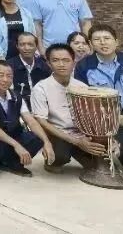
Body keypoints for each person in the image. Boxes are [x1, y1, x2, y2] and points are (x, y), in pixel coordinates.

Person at [74, 23, 123, 170]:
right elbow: (84, 100)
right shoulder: (84, 67)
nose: (103, 42)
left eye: (107, 38)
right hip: (108, 121)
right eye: (97, 39)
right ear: (90, 44)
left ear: (116, 41)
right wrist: (114, 117)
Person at [0, 59, 53, 178]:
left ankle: (13, 163)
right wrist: (16, 145)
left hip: (11, 136)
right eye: (0, 75)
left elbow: (31, 120)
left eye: (9, 76)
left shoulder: (16, 96)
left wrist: (47, 142)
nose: (5, 79)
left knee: (37, 138)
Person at [30, 43, 102, 173]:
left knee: (102, 163)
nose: (61, 64)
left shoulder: (82, 87)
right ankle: (53, 160)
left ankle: (81, 153)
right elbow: (41, 121)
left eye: (66, 60)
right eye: (55, 60)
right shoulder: (41, 88)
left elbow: (92, 116)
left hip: (81, 133)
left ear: (73, 62)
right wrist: (76, 141)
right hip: (58, 134)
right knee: (60, 157)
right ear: (49, 63)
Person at [8, 32, 50, 102]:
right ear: (17, 46)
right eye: (22, 44)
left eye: (30, 44)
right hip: (18, 104)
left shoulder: (44, 65)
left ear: (36, 46)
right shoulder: (9, 66)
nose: (26, 48)